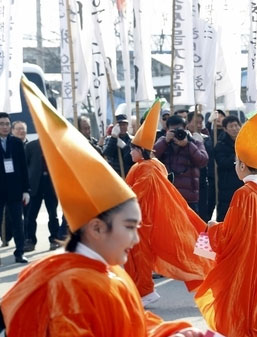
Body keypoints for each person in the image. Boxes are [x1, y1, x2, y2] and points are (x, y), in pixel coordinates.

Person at [1, 77, 206, 337]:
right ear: (97, 227)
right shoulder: (71, 287)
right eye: (129, 227)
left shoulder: (102, 274)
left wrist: (172, 332)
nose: (134, 238)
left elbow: (132, 324)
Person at [194, 107, 257, 337]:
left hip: (247, 261)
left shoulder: (244, 193)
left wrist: (211, 227)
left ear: (240, 165)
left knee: (246, 313)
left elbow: (229, 234)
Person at [124, 100, 214, 306]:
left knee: (140, 257)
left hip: (144, 220)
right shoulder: (151, 164)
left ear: (141, 150)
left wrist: (116, 198)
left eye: (133, 148)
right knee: (141, 256)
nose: (130, 152)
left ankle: (144, 291)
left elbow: (136, 193)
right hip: (148, 217)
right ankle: (142, 290)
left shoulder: (147, 167)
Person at [154, 115, 209, 214]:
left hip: (189, 197)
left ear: (185, 128)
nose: (177, 133)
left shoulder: (195, 143)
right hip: (168, 194)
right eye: (173, 130)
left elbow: (203, 161)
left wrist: (188, 145)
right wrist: (165, 141)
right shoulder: (164, 142)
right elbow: (152, 156)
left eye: (179, 130)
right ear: (167, 130)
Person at [0, 113, 30, 263]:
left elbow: (24, 168)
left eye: (7, 124)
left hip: (15, 190)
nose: (5, 127)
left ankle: (20, 252)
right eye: (2, 124)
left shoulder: (17, 143)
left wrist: (26, 190)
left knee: (18, 223)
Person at [23, 138, 60, 252]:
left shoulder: (55, 144)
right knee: (31, 215)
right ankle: (30, 240)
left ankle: (54, 238)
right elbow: (25, 165)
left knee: (53, 214)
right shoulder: (31, 146)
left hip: (50, 184)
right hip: (35, 185)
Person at [214, 115, 244, 221]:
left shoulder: (245, 142)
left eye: (236, 125)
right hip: (227, 185)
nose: (235, 128)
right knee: (227, 216)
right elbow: (222, 163)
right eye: (231, 126)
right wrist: (236, 155)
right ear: (225, 129)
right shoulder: (221, 145)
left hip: (243, 184)